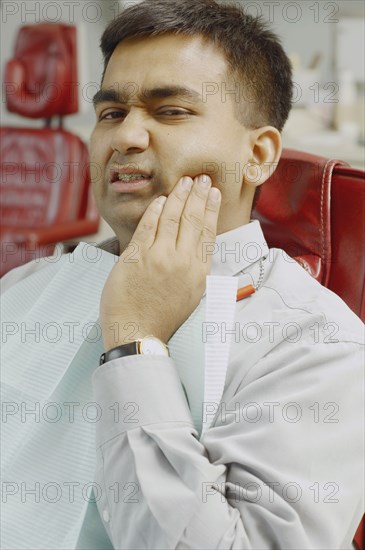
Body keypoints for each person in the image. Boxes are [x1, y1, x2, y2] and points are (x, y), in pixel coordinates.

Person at [1, 0, 363, 548]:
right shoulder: (24, 293)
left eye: (169, 111)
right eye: (111, 113)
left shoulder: (314, 344)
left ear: (259, 154)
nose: (126, 137)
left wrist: (136, 344)